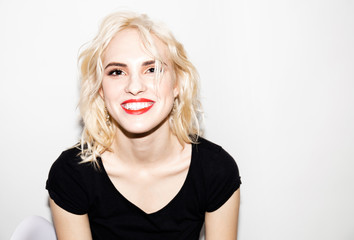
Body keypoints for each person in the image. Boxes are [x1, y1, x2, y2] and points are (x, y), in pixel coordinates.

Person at [46, 11, 241, 240]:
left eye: (152, 69)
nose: (135, 86)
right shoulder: (71, 175)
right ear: (101, 89)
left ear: (177, 83)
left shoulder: (216, 170)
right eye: (117, 72)